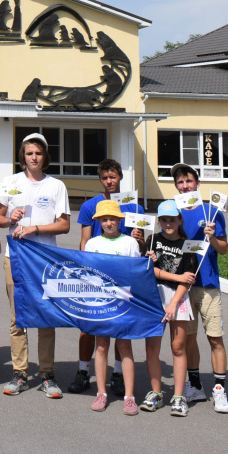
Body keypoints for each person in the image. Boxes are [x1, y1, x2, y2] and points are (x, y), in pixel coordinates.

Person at [0, 132, 70, 398]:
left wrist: (34, 227)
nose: (34, 157)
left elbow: (64, 224)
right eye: (29, 153)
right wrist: (9, 218)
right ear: (22, 156)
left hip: (46, 261)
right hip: (14, 257)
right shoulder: (10, 182)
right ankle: (20, 373)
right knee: (18, 319)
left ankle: (48, 375)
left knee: (46, 317)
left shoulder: (56, 185)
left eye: (38, 153)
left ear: (45, 156)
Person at [69, 158, 145, 395]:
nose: (109, 181)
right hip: (96, 276)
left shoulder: (135, 207)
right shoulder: (90, 206)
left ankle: (119, 373)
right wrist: (83, 273)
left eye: (113, 177)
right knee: (88, 327)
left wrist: (140, 239)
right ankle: (83, 371)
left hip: (123, 279)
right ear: (100, 180)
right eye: (105, 178)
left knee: (120, 327)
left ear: (120, 177)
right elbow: (84, 241)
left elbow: (140, 248)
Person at [172, 163, 228, 412]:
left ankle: (219, 390)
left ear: (197, 183)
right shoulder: (174, 213)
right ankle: (195, 386)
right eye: (180, 182)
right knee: (190, 339)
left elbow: (224, 248)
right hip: (185, 285)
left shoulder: (212, 212)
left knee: (214, 337)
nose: (185, 186)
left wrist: (212, 237)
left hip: (208, 284)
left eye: (189, 181)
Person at [84, 200, 141, 415]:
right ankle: (101, 392)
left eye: (113, 219)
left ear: (120, 220)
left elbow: (136, 272)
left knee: (124, 347)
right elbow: (87, 273)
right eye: (105, 219)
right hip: (100, 303)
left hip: (124, 302)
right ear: (98, 221)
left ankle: (129, 396)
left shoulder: (129, 243)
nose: (109, 223)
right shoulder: (92, 243)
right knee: (101, 347)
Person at [142, 200, 197, 417]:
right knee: (152, 349)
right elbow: (150, 271)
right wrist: (173, 275)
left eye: (172, 219)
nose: (167, 223)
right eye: (163, 219)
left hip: (179, 298)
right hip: (154, 297)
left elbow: (189, 279)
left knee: (178, 347)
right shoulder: (152, 239)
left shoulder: (189, 244)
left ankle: (178, 396)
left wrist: (174, 302)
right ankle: (156, 393)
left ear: (180, 219)